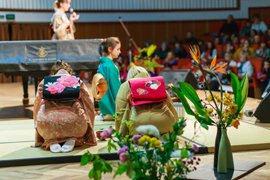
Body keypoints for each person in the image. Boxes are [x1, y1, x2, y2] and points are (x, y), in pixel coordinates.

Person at [33, 61, 96, 152]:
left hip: (48, 125)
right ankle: (73, 138)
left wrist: (37, 127)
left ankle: (52, 140)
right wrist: (90, 126)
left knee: (45, 118)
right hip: (74, 124)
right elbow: (89, 103)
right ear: (69, 72)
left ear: (53, 73)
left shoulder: (44, 82)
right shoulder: (77, 81)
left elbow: (37, 105)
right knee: (79, 114)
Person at [115, 66, 178, 136]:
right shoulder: (156, 83)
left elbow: (120, 111)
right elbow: (170, 105)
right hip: (166, 124)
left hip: (138, 127)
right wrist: (176, 126)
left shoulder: (125, 86)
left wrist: (119, 132)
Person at [96, 37, 122, 120]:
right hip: (113, 110)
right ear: (110, 49)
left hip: (105, 108)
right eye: (117, 49)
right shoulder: (110, 66)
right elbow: (116, 89)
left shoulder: (102, 65)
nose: (120, 51)